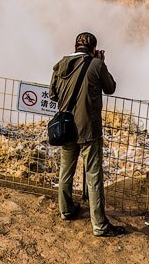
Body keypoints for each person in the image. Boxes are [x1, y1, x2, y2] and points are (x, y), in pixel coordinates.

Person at [49, 31, 126, 237]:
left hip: (65, 127)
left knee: (66, 171)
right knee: (93, 176)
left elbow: (53, 94)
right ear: (93, 49)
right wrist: (101, 62)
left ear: (75, 46)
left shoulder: (60, 64)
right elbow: (110, 88)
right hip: (89, 129)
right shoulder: (96, 65)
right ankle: (100, 225)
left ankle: (66, 210)